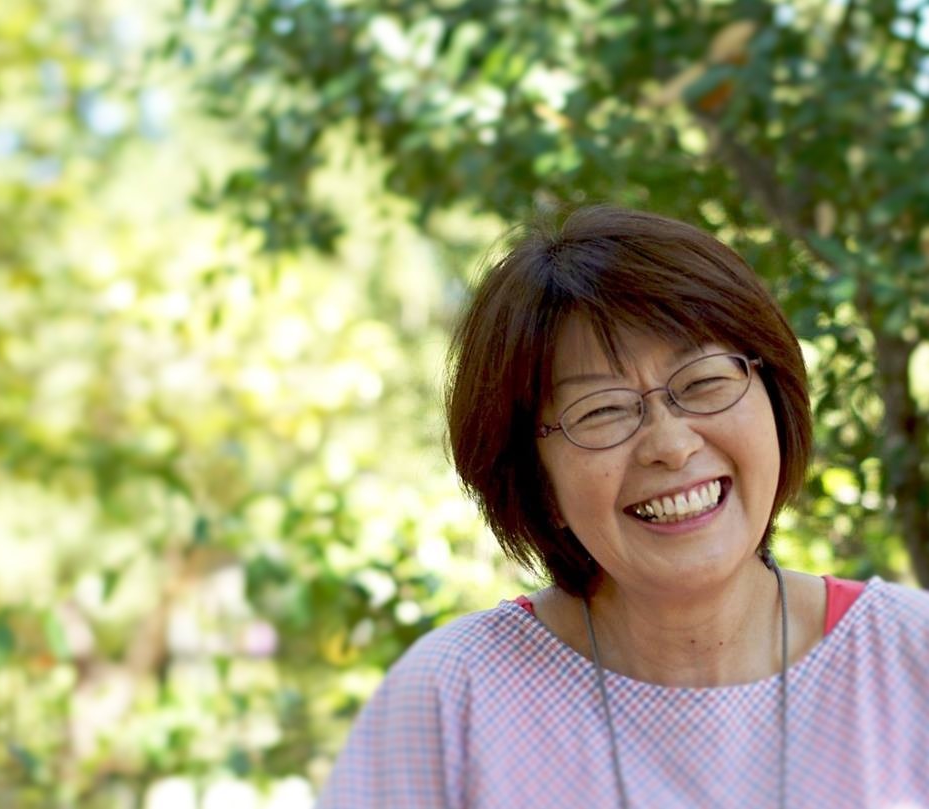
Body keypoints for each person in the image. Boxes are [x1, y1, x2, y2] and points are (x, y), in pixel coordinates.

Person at [316, 206, 929, 808]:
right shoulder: (451, 701)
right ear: (536, 480)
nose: (671, 445)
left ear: (775, 398)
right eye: (602, 411)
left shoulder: (911, 656)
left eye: (704, 382)